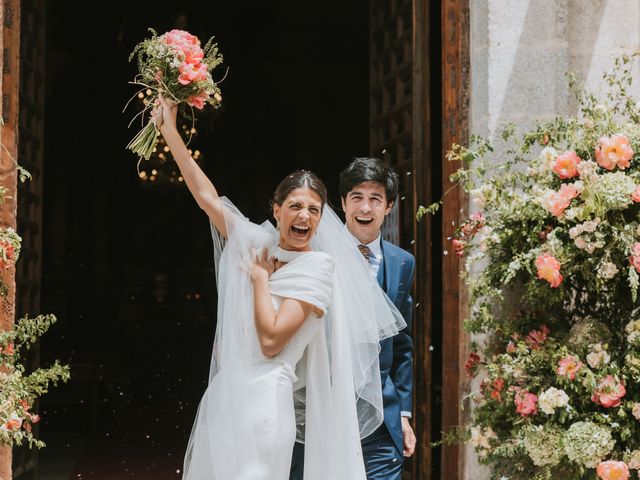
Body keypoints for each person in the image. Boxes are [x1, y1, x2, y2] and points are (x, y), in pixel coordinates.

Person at [151, 97, 406, 480]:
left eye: (314, 210)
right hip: (227, 396)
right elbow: (207, 199)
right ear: (277, 209)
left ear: (322, 218)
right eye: (295, 206)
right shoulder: (259, 245)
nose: (304, 216)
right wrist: (169, 131)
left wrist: (258, 280)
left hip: (267, 404)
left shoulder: (319, 268)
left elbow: (271, 341)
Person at [290, 157, 415, 480]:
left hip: (380, 419)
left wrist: (402, 413)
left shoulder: (403, 263)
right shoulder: (312, 255)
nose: (365, 208)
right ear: (343, 203)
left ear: (388, 207)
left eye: (375, 199)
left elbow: (402, 346)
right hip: (321, 410)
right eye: (357, 197)